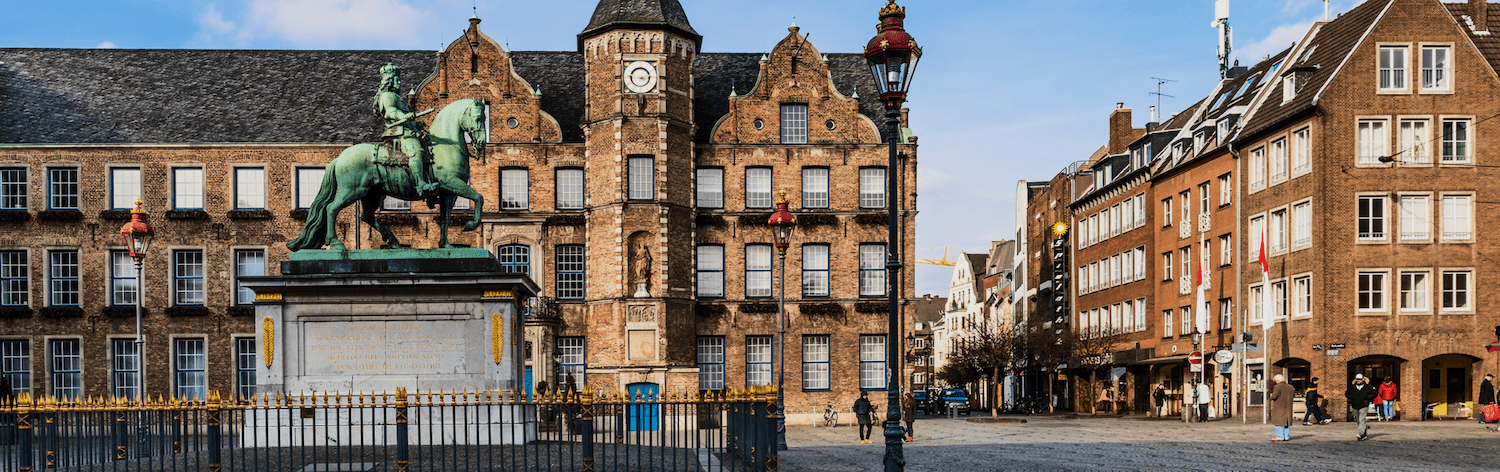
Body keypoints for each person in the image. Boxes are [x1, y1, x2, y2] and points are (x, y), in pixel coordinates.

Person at [372, 63, 438, 199]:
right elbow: (391, 111)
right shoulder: (387, 95)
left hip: (408, 131)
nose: (399, 82)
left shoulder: (399, 98)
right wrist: (403, 116)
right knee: (416, 152)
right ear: (389, 81)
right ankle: (420, 184)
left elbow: (408, 120)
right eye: (396, 79)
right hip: (399, 133)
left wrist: (416, 124)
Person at [1346, 374, 1378, 440]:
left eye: (1360, 379)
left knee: (1361, 420)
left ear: (1363, 379)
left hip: (1364, 405)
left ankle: (1360, 433)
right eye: (1357, 379)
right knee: (1358, 420)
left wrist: (1367, 397)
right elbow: (1347, 394)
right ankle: (1364, 434)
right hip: (1355, 405)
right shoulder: (1352, 387)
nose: (1358, 380)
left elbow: (1374, 394)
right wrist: (1352, 398)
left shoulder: (1368, 387)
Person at [1269, 374, 1295, 441]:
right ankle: (1286, 436)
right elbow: (1293, 396)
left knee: (1278, 422)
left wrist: (1271, 396)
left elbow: (1274, 396)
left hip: (1279, 407)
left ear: (1277, 380)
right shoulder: (1290, 387)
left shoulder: (1277, 387)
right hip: (1288, 407)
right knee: (1287, 422)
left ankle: (1280, 436)